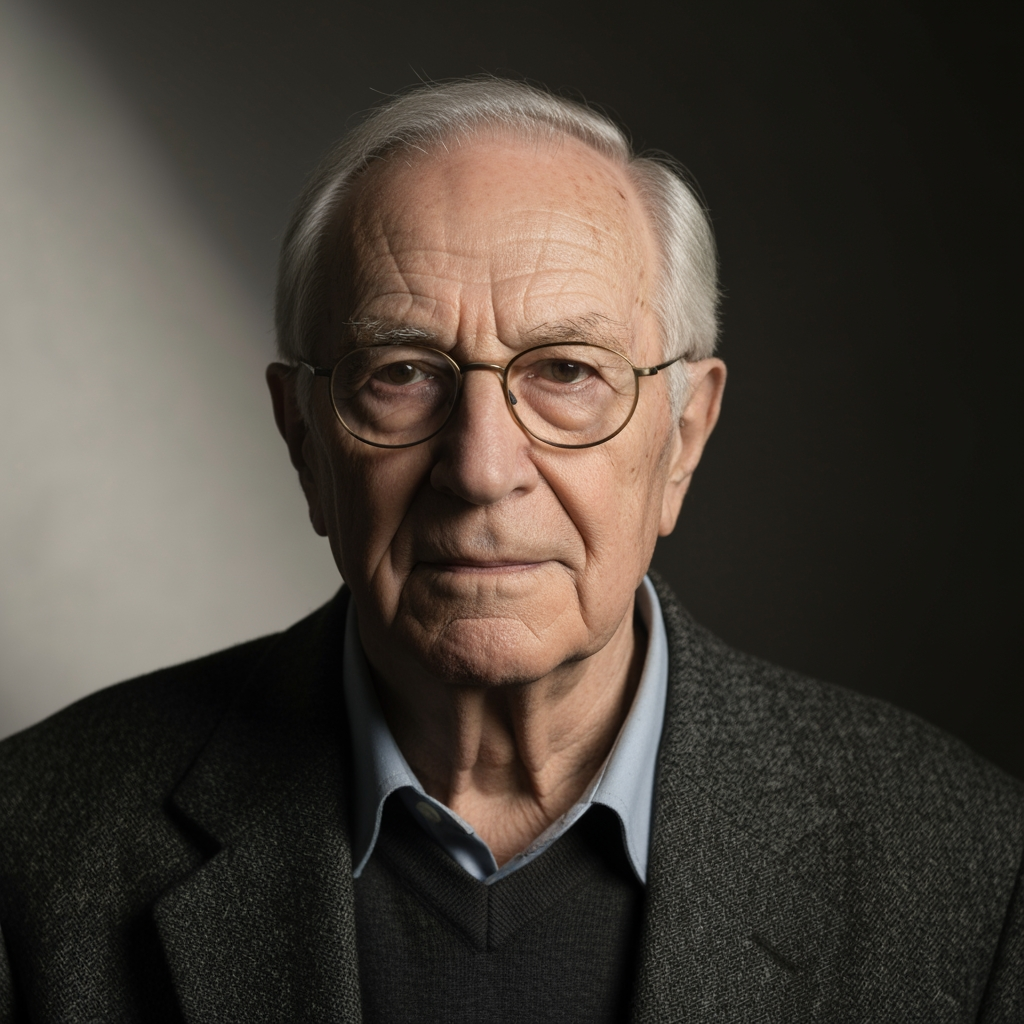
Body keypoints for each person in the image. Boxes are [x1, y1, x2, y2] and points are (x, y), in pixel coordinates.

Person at [0, 78, 1020, 1024]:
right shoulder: (34, 851)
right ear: (304, 438)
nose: (482, 467)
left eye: (566, 371)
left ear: (685, 436)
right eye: (402, 372)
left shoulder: (967, 867)